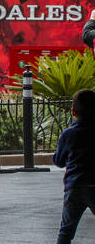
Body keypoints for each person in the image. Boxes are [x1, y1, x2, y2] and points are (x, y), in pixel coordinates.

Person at [54, 88, 95, 243]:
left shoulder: (68, 134)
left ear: (73, 112)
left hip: (75, 186)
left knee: (66, 231)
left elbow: (59, 161)